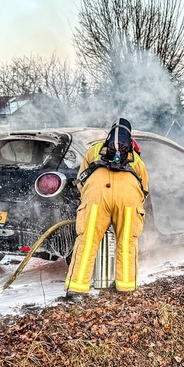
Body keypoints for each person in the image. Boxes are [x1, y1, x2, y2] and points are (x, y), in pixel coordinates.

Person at [64, 118, 149, 296]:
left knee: (87, 241)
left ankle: (76, 289)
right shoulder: (135, 158)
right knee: (126, 242)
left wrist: (90, 199)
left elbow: (81, 179)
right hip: (128, 197)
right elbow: (144, 189)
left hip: (96, 195)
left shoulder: (94, 150)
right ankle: (126, 288)